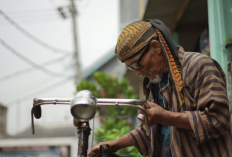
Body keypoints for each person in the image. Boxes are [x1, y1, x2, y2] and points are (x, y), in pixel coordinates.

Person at [88, 19, 232, 157]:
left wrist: (164, 117)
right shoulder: (155, 83)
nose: (138, 72)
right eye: (131, 68)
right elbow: (150, 131)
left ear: (156, 47)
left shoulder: (198, 66)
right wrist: (112, 145)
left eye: (137, 64)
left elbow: (218, 120)